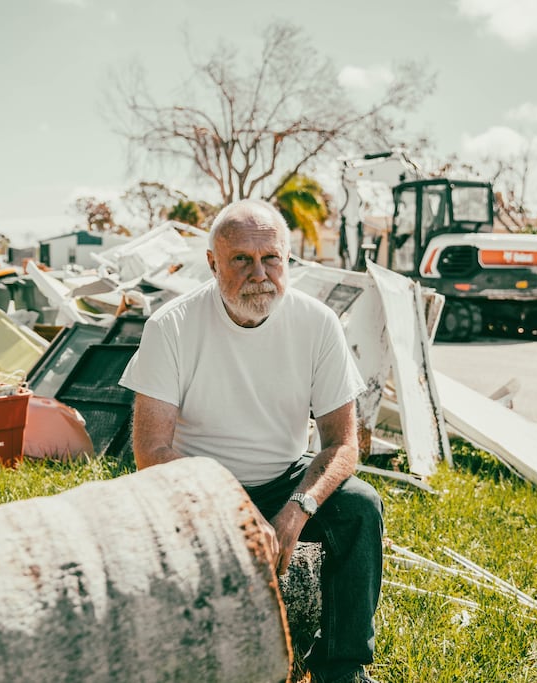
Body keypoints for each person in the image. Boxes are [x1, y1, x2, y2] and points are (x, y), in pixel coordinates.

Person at [119, 199, 384, 683]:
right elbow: (151, 452)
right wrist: (235, 512)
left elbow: (342, 445)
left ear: (288, 259)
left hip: (283, 481)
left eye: (271, 258)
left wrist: (297, 510)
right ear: (212, 262)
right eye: (241, 258)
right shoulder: (171, 326)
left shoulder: (317, 323)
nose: (259, 274)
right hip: (197, 488)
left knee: (360, 506)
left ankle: (342, 668)